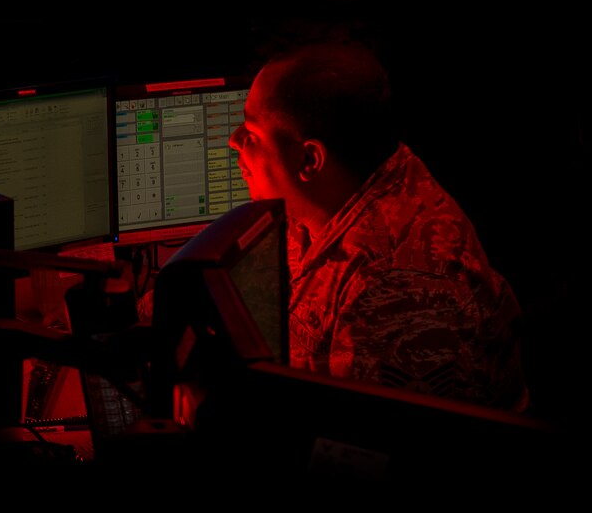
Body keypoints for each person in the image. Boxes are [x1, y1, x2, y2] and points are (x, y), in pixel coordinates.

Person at [225, 41, 529, 412]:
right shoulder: (333, 192)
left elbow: (366, 446)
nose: (233, 141)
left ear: (309, 159)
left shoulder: (398, 292)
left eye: (252, 135)